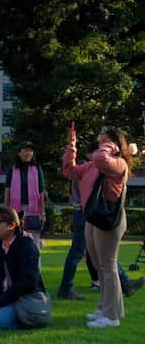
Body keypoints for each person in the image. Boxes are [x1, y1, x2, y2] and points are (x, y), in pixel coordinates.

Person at [63, 126, 135, 329]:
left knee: (108, 266)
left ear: (113, 143)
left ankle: (111, 317)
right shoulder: (93, 165)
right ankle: (105, 308)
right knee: (99, 265)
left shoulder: (118, 163)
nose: (99, 143)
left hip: (108, 220)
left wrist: (110, 145)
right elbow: (70, 171)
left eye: (104, 140)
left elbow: (102, 159)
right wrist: (71, 147)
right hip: (93, 218)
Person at [0, 206, 47, 330]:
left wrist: (1, 302)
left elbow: (28, 281)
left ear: (12, 225)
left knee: (0, 322)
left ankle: (23, 318)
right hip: (3, 295)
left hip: (22, 297)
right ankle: (7, 313)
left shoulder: (26, 246)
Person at [5, 142, 47, 245]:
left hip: (33, 209)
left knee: (34, 240)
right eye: (25, 150)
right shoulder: (12, 170)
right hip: (15, 209)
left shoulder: (37, 169)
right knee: (16, 238)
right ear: (19, 153)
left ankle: (35, 261)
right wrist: (5, 211)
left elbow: (41, 191)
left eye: (30, 151)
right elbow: (7, 191)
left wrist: (43, 212)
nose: (28, 153)